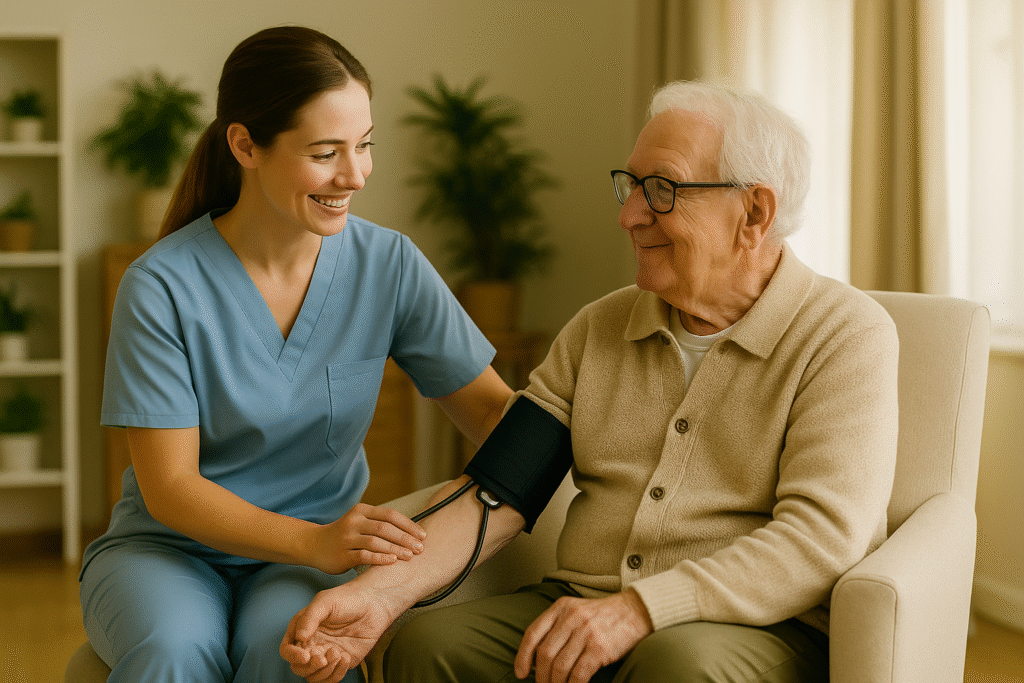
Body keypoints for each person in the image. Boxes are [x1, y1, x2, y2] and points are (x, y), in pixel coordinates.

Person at [280, 80, 899, 683]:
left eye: (661, 190)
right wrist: (383, 597)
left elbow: (819, 539)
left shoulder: (843, 336)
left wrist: (641, 611)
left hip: (759, 628)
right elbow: (498, 492)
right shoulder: (601, 328)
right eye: (630, 187)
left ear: (754, 212)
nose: (630, 215)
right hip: (582, 599)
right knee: (430, 646)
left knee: (676, 667)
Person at [79, 25, 513, 683]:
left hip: (304, 564)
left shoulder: (389, 265)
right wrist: (316, 539)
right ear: (245, 144)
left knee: (292, 649)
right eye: (325, 152)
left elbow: (494, 414)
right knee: (176, 647)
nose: (356, 174)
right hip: (166, 550)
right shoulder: (160, 284)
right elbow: (170, 488)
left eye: (365, 146)